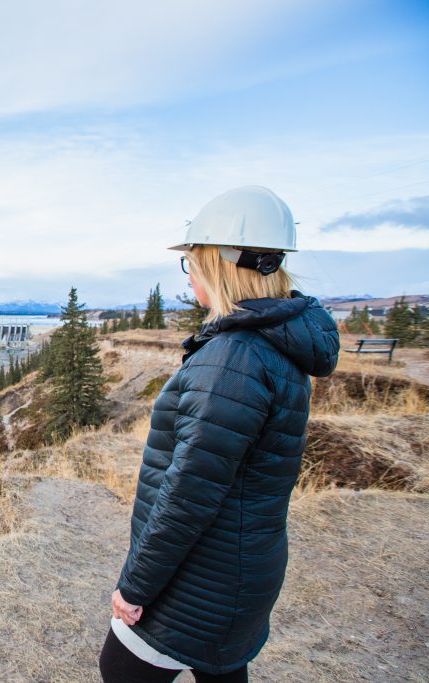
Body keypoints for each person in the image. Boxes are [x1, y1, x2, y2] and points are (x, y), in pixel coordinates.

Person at [99, 186, 340, 682]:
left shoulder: (233, 359)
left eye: (193, 263)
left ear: (219, 264)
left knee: (120, 672)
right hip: (242, 567)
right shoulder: (277, 344)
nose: (191, 280)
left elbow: (188, 493)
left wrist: (135, 587)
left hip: (198, 579)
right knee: (222, 671)